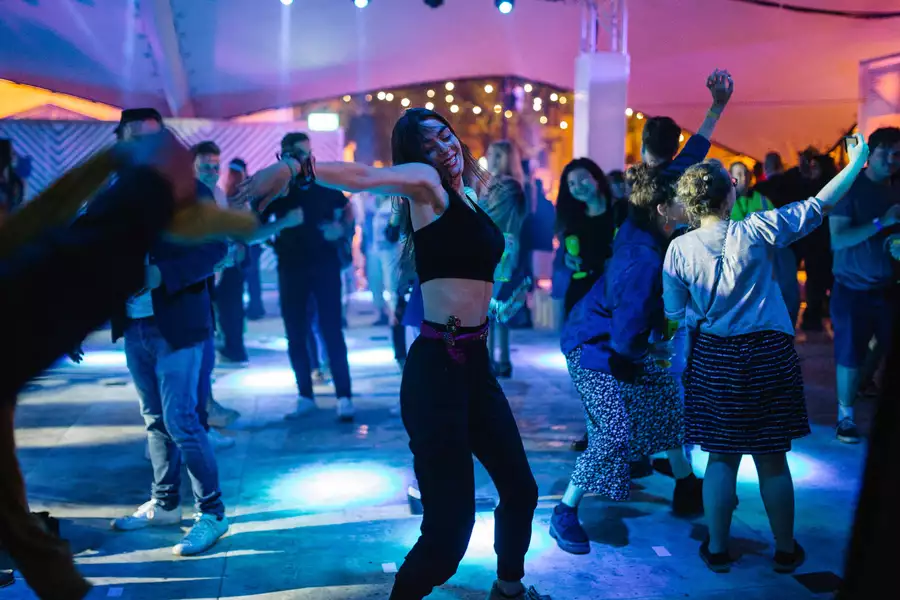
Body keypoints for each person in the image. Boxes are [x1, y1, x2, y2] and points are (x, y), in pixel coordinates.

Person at [239, 107, 546, 600]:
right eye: (429, 145)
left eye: (446, 136)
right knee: (449, 534)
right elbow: (364, 176)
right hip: (438, 371)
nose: (443, 148)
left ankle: (509, 589)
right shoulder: (427, 185)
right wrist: (297, 167)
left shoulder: (464, 194)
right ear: (416, 157)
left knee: (521, 490)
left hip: (474, 366)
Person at [0, 130, 260, 600]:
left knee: (182, 419)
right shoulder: (109, 200)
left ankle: (212, 512)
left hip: (178, 323)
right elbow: (56, 236)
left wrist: (165, 272)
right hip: (134, 326)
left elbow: (218, 246)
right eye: (128, 137)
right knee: (155, 420)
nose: (136, 142)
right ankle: (165, 505)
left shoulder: (176, 198)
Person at [662, 135, 869, 573]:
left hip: (715, 357)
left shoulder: (678, 249)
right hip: (769, 354)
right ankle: (784, 550)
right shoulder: (755, 230)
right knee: (772, 459)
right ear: (730, 193)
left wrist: (674, 362)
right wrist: (856, 164)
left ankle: (717, 549)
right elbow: (819, 206)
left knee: (720, 458)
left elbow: (673, 316)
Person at [550, 163, 704, 555]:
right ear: (663, 208)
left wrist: (714, 112)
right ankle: (565, 511)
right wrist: (648, 351)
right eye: (683, 200)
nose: (691, 204)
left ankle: (687, 485)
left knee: (667, 402)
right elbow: (625, 334)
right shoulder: (643, 258)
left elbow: (679, 161)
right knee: (613, 432)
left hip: (617, 340)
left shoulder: (648, 229)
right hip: (593, 346)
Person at [261, 132, 356, 422]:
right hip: (290, 266)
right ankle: (305, 395)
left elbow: (348, 209)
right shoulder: (277, 187)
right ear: (285, 155)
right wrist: (277, 236)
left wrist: (341, 230)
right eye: (302, 154)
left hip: (324, 265)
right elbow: (257, 223)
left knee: (331, 329)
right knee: (295, 332)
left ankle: (344, 396)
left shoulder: (322, 181)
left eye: (309, 153)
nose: (307, 159)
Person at [829, 127, 900, 443]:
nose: (892, 159)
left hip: (888, 286)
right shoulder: (850, 189)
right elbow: (838, 239)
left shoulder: (895, 190)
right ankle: (845, 417)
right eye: (886, 152)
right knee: (850, 354)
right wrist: (880, 223)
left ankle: (864, 384)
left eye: (897, 153)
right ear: (870, 154)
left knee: (883, 346)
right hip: (851, 288)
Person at [729, 161, 800, 326]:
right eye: (738, 173)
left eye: (745, 173)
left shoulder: (760, 198)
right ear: (731, 177)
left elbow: (774, 223)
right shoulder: (725, 201)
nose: (743, 177)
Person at [482, 140, 528, 377]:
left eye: (496, 155)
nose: (491, 159)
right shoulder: (512, 184)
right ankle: (500, 359)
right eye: (490, 154)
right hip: (503, 247)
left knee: (492, 304)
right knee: (497, 304)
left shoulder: (506, 185)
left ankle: (494, 359)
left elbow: (487, 213)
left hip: (499, 249)